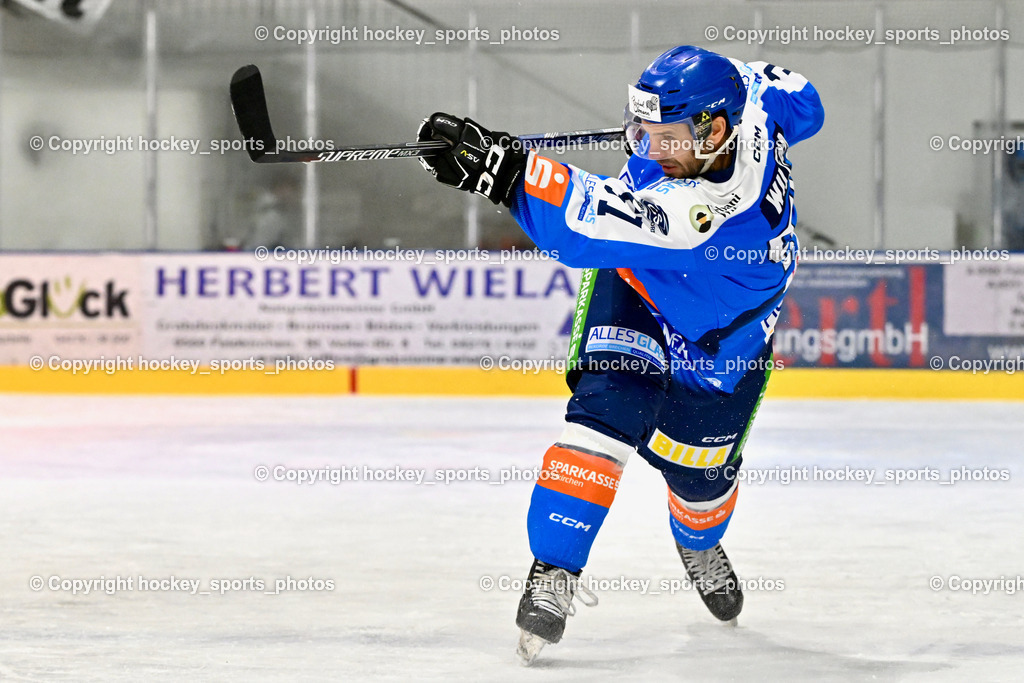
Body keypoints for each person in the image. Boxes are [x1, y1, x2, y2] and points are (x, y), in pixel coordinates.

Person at [416, 45, 824, 664]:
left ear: (716, 131)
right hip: (637, 286)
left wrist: (503, 172)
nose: (648, 152)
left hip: (722, 347)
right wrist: (684, 117)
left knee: (699, 481)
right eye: (643, 132)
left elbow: (583, 224)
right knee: (606, 410)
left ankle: (698, 537)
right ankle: (554, 569)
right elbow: (806, 101)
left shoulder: (704, 212)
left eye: (666, 139)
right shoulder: (751, 106)